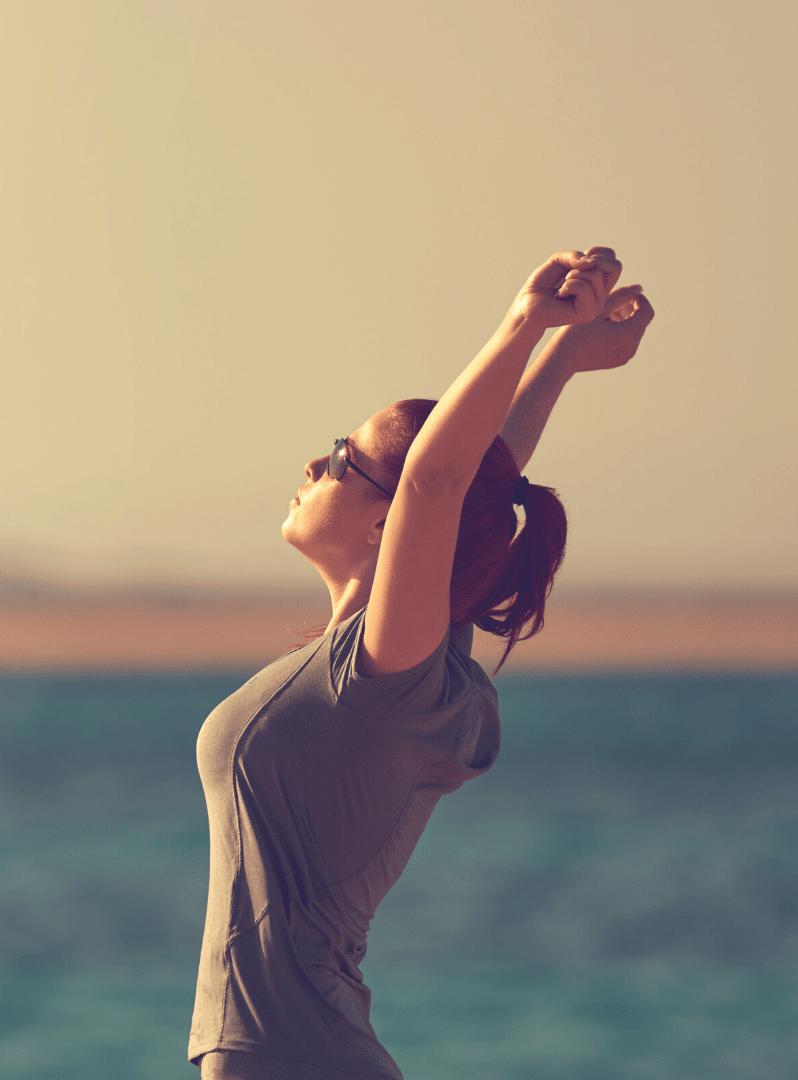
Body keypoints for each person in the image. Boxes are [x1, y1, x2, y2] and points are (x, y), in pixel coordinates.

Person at [189, 248, 656, 1079]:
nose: (314, 465)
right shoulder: (402, 650)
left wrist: (525, 323)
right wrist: (562, 358)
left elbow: (441, 483)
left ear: (387, 522)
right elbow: (474, 482)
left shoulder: (387, 671)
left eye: (342, 458)